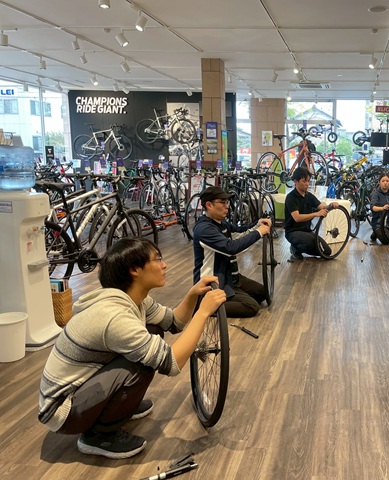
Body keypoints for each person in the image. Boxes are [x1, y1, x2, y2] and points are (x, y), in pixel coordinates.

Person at [38, 237, 226, 459]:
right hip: (63, 411)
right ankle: (98, 436)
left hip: (80, 391)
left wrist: (193, 295)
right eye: (157, 259)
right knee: (143, 365)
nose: (164, 265)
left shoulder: (134, 299)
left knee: (154, 330)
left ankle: (116, 407)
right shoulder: (115, 316)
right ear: (135, 270)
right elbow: (172, 363)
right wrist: (203, 313)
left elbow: (174, 322)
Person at [192, 186, 271, 317]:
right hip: (214, 282)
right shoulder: (204, 229)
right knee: (251, 306)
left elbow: (239, 232)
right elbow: (231, 248)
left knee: (262, 292)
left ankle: (232, 295)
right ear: (209, 205)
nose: (227, 206)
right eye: (222, 202)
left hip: (230, 276)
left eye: (227, 202)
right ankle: (203, 305)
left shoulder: (221, 223)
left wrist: (257, 224)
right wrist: (258, 232)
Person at [284, 167, 338, 261]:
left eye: (308, 181)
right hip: (292, 232)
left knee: (327, 251)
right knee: (309, 242)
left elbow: (322, 207)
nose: (307, 184)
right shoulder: (290, 197)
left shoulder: (309, 196)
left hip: (307, 231)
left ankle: (302, 247)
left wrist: (331, 205)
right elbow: (297, 218)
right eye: (304, 181)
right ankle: (295, 249)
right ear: (295, 181)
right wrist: (316, 214)